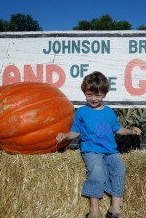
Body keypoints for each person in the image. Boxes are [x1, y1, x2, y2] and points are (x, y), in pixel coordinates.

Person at [56, 71, 141, 218]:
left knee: (119, 168)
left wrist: (131, 131)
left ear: (104, 95)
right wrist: (65, 136)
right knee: (97, 170)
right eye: (89, 95)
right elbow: (75, 132)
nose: (93, 99)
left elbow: (118, 129)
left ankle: (115, 208)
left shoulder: (108, 112)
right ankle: (94, 210)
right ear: (84, 92)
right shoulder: (82, 112)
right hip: (91, 150)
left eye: (98, 95)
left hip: (110, 150)